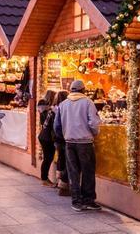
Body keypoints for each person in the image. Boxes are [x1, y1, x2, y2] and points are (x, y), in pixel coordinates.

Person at [54, 80, 102, 212]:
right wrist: (94, 133)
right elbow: (94, 123)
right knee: (88, 172)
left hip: (69, 142)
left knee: (73, 172)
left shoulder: (63, 104)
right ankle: (88, 200)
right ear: (83, 90)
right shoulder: (88, 102)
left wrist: (65, 136)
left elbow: (56, 126)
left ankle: (76, 201)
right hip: (85, 142)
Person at [37, 90, 57, 187]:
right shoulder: (50, 110)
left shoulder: (43, 109)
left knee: (47, 158)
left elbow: (42, 122)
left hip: (44, 135)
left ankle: (45, 178)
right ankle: (44, 179)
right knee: (48, 158)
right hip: (48, 137)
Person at [53, 90, 71, 196]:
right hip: (64, 138)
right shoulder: (65, 107)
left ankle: (59, 181)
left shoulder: (57, 107)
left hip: (58, 139)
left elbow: (56, 126)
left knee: (61, 159)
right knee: (67, 161)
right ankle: (63, 185)